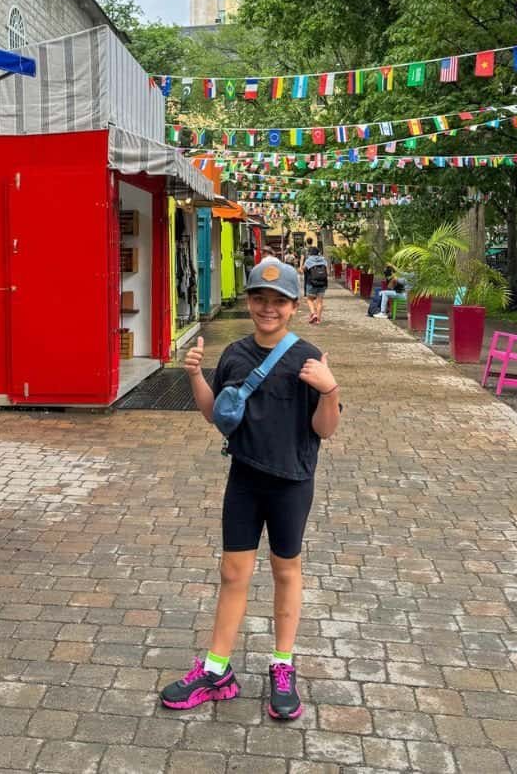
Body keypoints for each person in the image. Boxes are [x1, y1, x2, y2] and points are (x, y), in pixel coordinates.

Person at [160, 257, 341, 721]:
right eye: (260, 298)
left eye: (278, 301)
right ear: (248, 302)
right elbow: (216, 417)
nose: (268, 308)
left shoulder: (309, 356)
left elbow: (326, 431)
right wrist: (196, 376)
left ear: (294, 307)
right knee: (232, 574)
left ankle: (283, 665)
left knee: (286, 572)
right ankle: (217, 670)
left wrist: (330, 389)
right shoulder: (236, 354)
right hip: (244, 479)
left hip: (291, 483)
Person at [302, 246, 329, 324]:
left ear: (310, 253)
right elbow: (328, 272)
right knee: (320, 301)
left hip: (311, 283)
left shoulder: (309, 260)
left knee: (309, 299)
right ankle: (318, 319)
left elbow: (303, 269)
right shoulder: (323, 260)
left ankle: (314, 314)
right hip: (322, 283)